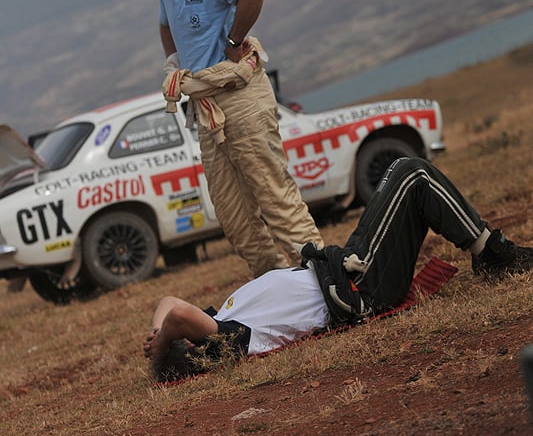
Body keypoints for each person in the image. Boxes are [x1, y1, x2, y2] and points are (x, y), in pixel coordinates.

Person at [143, 157, 533, 382]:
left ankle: (487, 249)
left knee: (405, 172)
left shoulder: (222, 316)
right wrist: (164, 341)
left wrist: (155, 337)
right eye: (183, 340)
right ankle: (494, 254)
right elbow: (179, 314)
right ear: (195, 345)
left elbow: (168, 302)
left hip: (346, 267)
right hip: (358, 288)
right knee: (411, 173)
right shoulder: (229, 341)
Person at [128, 0, 323, 277]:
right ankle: (279, 285)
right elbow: (165, 24)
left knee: (274, 196)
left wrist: (235, 40)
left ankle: (326, 283)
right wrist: (173, 60)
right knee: (234, 217)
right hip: (206, 106)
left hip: (240, 97)